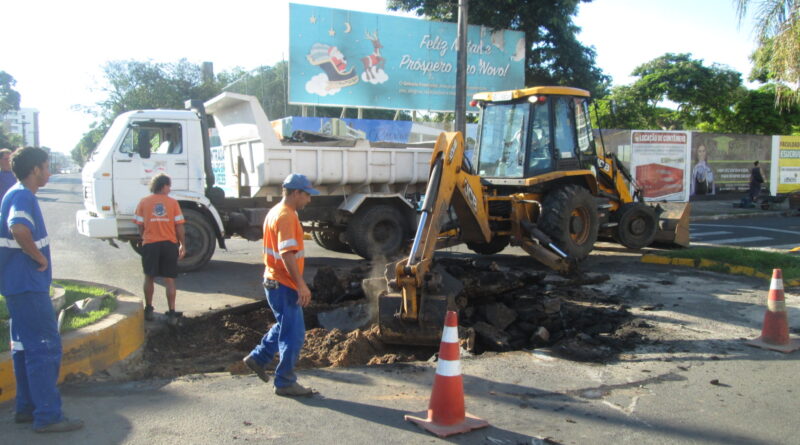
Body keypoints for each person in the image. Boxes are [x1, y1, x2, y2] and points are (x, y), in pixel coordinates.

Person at [0, 147, 84, 433]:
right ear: (35, 170)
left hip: (16, 285)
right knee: (45, 348)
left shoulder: (15, 193)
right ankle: (48, 415)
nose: (49, 172)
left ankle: (27, 407)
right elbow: (18, 228)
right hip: (27, 285)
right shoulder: (22, 195)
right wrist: (39, 258)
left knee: (23, 348)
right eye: (47, 167)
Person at [243, 173, 319, 397]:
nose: (309, 200)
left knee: (284, 325)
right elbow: (287, 255)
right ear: (296, 193)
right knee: (294, 335)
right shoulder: (286, 216)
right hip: (284, 284)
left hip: (274, 280)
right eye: (307, 195)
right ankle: (285, 382)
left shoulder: (276, 211)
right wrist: (301, 285)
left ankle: (258, 358)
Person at [134, 173, 186, 325]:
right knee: (169, 280)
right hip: (169, 244)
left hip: (150, 244)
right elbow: (179, 226)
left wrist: (144, 238)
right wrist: (182, 244)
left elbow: (139, 225)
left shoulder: (143, 202)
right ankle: (171, 313)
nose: (170, 189)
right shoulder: (173, 203)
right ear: (163, 186)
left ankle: (149, 309)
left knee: (149, 277)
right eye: (169, 186)